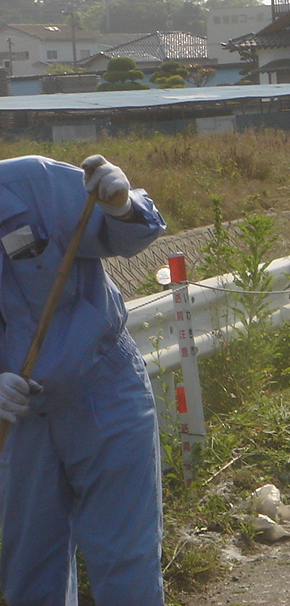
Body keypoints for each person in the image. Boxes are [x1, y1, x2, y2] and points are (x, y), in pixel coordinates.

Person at [0, 154, 167, 606]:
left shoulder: (33, 182)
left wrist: (121, 206)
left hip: (103, 388)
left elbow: (132, 233)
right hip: (18, 418)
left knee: (126, 566)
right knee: (30, 575)